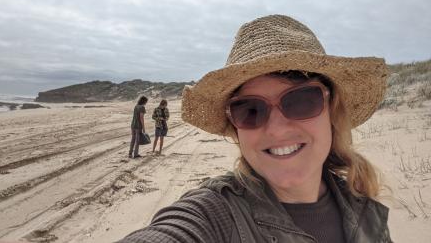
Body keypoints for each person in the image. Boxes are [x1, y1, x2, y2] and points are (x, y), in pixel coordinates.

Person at [118, 14, 392, 242]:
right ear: (235, 130)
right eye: (249, 110)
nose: (277, 129)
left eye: (301, 101)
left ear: (332, 111)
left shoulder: (365, 209)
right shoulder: (214, 214)